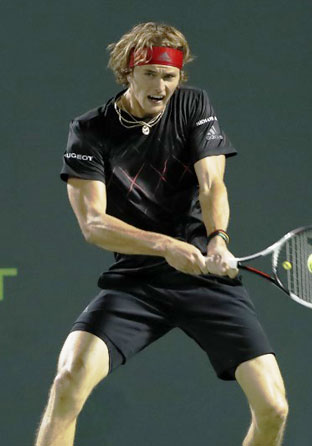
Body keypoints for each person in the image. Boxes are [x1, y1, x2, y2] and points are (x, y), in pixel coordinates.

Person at [35, 22, 288, 446]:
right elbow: (93, 223)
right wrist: (164, 245)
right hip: (138, 281)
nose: (160, 85)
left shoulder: (192, 106)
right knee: (68, 380)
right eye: (149, 73)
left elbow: (212, 185)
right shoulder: (90, 131)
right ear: (127, 72)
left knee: (274, 407)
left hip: (206, 277)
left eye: (169, 76)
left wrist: (218, 238)